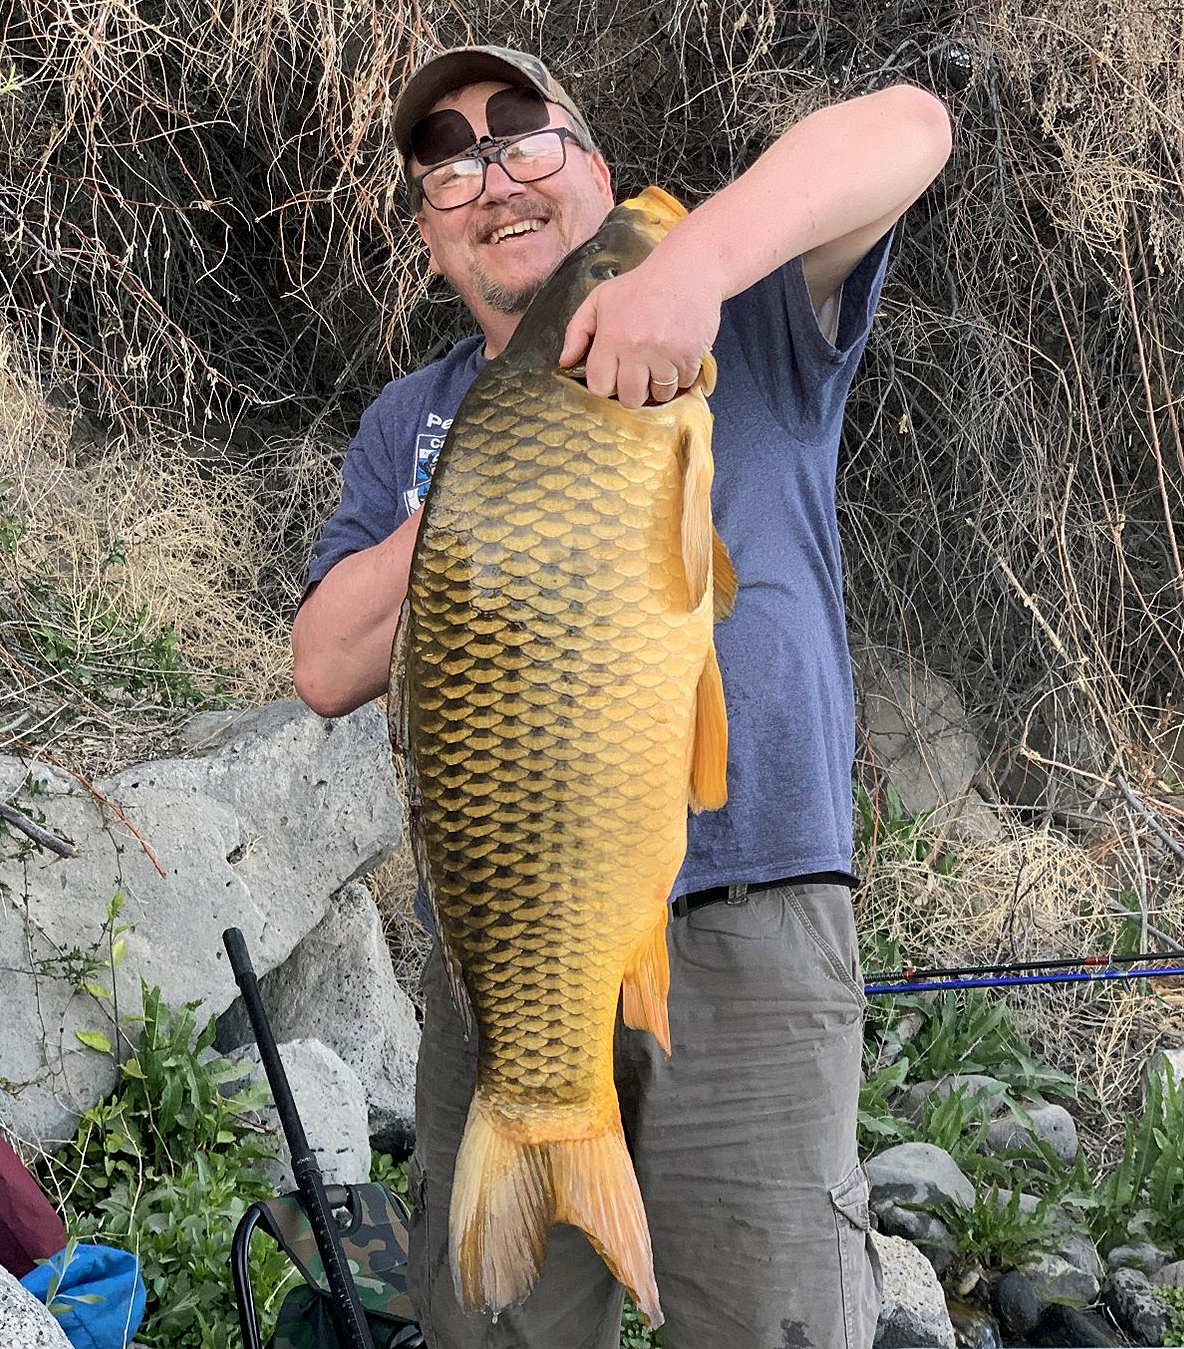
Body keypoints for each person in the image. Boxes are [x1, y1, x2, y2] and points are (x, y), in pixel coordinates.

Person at [293, 44, 952, 1349]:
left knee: (769, 1322)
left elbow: (910, 125)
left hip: (748, 910)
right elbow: (323, 662)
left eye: (524, 133)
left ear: (594, 174)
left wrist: (690, 272)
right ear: (430, 241)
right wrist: (504, 449)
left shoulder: (746, 313)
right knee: (496, 1330)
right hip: (508, 946)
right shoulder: (409, 423)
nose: (492, 174)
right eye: (450, 164)